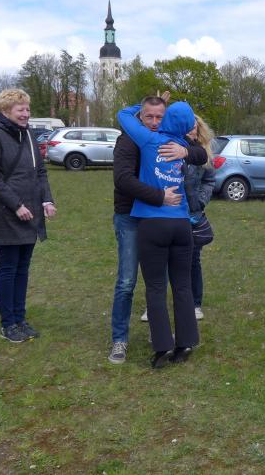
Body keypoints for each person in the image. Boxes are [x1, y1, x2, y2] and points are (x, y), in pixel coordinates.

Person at [109, 95, 208, 364]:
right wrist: (160, 195)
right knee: (173, 285)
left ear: (166, 119)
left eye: (159, 117)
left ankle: (163, 345)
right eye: (148, 116)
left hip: (153, 223)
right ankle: (183, 343)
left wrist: (186, 152)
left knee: (155, 287)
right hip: (174, 221)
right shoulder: (162, 140)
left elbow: (201, 154)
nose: (153, 121)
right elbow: (122, 179)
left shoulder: (150, 139)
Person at [0, 89, 56, 343]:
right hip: (7, 213)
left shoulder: (28, 134)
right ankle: (8, 323)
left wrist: (47, 200)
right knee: (9, 268)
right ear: (5, 111)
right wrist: (16, 205)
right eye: (20, 109)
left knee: (23, 268)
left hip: (31, 212)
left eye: (27, 109)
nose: (26, 114)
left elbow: (40, 172)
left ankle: (20, 318)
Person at [185, 115, 216, 320]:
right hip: (168, 213)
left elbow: (209, 180)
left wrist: (200, 202)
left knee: (193, 260)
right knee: (162, 261)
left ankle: (195, 303)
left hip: (193, 215)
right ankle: (153, 305)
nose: (190, 130)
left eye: (193, 126)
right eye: (186, 126)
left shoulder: (204, 152)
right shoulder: (170, 146)